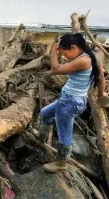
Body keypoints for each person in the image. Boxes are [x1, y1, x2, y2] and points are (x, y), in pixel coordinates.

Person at [40, 33, 105, 173]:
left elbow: (55, 69)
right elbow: (100, 77)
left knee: (64, 134)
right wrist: (101, 94)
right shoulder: (92, 56)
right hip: (69, 100)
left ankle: (61, 163)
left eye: (64, 53)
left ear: (74, 47)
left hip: (70, 102)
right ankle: (41, 139)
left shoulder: (83, 61)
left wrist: (54, 51)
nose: (64, 56)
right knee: (45, 113)